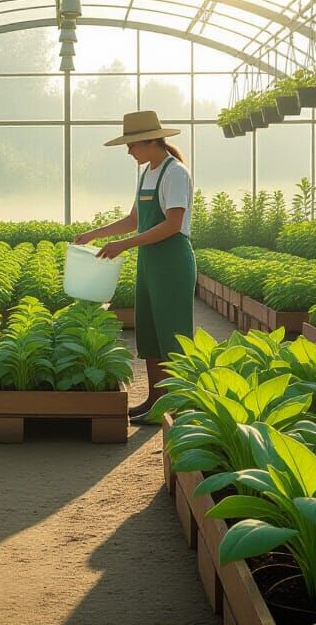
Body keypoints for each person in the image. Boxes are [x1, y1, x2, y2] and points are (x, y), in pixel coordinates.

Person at [74, 110, 195, 424]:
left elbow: (173, 224)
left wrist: (123, 245)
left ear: (151, 141)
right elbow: (133, 220)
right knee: (150, 332)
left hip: (172, 262)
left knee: (172, 335)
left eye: (132, 145)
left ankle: (176, 406)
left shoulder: (175, 173)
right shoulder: (147, 173)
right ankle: (155, 401)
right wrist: (95, 234)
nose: (129, 151)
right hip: (150, 261)